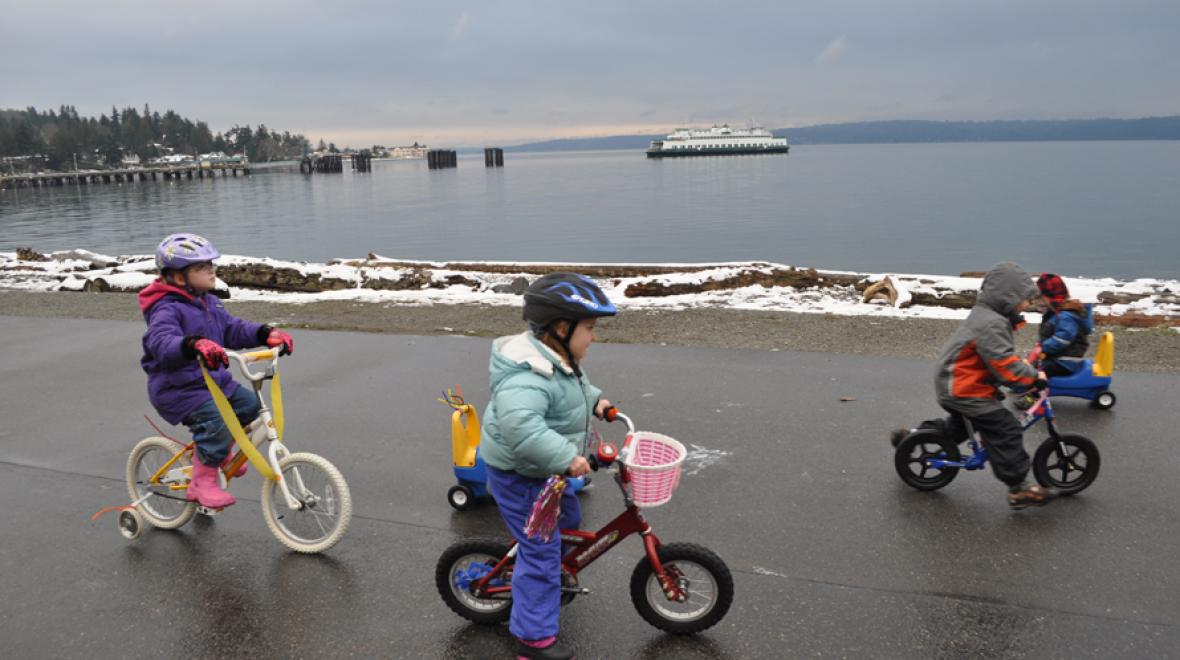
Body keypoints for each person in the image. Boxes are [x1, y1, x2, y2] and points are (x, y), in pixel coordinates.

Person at [479, 272, 617, 660]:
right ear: (560, 327)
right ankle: (532, 640)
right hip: (520, 473)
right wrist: (567, 458)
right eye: (589, 328)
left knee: (569, 516)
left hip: (544, 471)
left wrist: (598, 403)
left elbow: (576, 388)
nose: (594, 337)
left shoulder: (560, 358)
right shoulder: (526, 377)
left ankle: (542, 575)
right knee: (541, 550)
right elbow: (522, 428)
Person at [138, 233, 293, 509]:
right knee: (217, 423)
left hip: (213, 383)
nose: (211, 271)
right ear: (177, 277)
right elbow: (161, 341)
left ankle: (216, 452)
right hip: (179, 390)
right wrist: (193, 345)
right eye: (201, 267)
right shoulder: (166, 309)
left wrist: (265, 333)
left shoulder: (209, 302)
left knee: (249, 408)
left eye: (211, 265)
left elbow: (232, 329)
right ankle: (203, 483)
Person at [927, 262, 1057, 509]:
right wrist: (1032, 378)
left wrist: (1022, 368)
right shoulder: (992, 323)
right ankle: (1019, 488)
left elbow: (995, 356)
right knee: (1005, 428)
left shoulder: (988, 316)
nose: (1028, 305)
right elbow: (1005, 365)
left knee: (959, 428)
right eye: (1024, 300)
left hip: (956, 382)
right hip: (964, 388)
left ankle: (914, 438)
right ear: (1008, 297)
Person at [1033, 272, 1093, 377]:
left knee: (1037, 373)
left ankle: (1034, 391)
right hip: (1060, 358)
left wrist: (1044, 347)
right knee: (1033, 366)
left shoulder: (1065, 316)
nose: (1040, 302)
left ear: (1050, 298)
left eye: (1041, 298)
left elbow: (1063, 338)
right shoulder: (1056, 313)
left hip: (1065, 361)